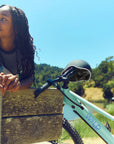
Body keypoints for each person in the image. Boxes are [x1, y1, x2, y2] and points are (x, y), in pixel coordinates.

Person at [0, 4, 36, 95]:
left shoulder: (24, 49)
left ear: (16, 28)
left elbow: (30, 78)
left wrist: (18, 85)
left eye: (3, 19)